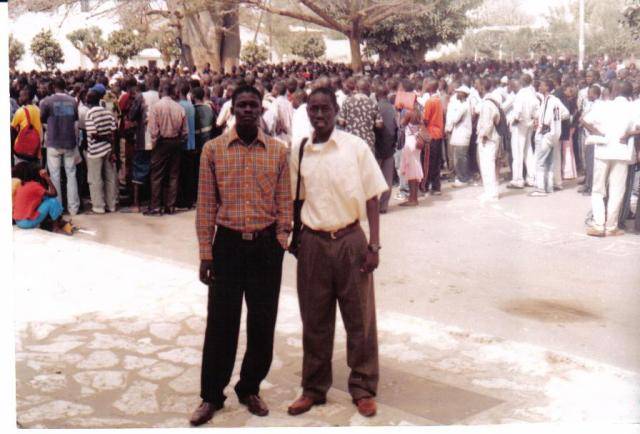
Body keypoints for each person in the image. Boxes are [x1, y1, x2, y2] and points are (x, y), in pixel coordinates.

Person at [190, 85, 292, 426]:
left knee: (262, 323)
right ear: (232, 110)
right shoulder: (213, 150)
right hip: (228, 247)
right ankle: (211, 395)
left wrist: (281, 239)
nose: (248, 110)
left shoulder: (277, 152)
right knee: (221, 323)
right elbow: (206, 205)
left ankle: (249, 387)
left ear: (261, 110)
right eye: (242, 105)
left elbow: (284, 201)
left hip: (265, 248)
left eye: (253, 105)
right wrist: (206, 253)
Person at [287, 87, 388, 418]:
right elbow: (295, 198)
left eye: (325, 109)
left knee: (359, 318)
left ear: (336, 110)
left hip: (350, 241)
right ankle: (314, 388)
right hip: (313, 243)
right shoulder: (300, 151)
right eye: (313, 109)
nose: (319, 115)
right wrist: (296, 238)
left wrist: (374, 245)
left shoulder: (355, 147)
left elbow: (372, 197)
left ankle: (362, 387)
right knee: (314, 319)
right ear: (307, 112)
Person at [582, 81, 637, 236]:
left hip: (603, 149)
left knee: (598, 189)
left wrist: (597, 132)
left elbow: (584, 120)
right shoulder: (633, 108)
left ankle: (598, 225)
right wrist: (629, 134)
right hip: (622, 152)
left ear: (615, 91)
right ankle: (612, 226)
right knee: (617, 190)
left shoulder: (603, 106)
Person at [39, 77, 80, 215]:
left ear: (53, 87)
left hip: (53, 142)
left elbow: (42, 119)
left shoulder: (46, 102)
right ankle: (73, 208)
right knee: (71, 174)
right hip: (69, 142)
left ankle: (58, 208)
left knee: (55, 176)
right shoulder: (73, 101)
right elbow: (75, 119)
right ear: (65, 86)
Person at [144, 84, 187, 216]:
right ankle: (170, 206)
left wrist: (154, 144)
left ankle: (156, 207)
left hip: (161, 142)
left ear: (161, 92)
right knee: (173, 175)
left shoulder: (156, 107)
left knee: (157, 175)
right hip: (175, 142)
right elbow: (185, 131)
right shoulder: (179, 107)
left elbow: (153, 130)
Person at [529, 79, 569, 197]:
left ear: (547, 87)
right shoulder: (552, 100)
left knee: (540, 162)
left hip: (546, 133)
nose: (539, 87)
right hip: (553, 134)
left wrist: (550, 125)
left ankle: (540, 188)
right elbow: (566, 113)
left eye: (542, 85)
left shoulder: (550, 101)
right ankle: (549, 186)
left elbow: (562, 115)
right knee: (549, 162)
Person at [12, 162, 74, 235]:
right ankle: (56, 228)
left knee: (46, 198)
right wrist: (47, 178)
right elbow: (54, 194)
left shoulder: (22, 185)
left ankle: (58, 221)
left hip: (18, 221)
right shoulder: (34, 185)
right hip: (26, 223)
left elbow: (43, 196)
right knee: (52, 201)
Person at [84, 90, 118, 214]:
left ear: (88, 101)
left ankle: (98, 207)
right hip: (108, 149)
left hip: (95, 151)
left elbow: (93, 135)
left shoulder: (89, 114)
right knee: (110, 178)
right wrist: (112, 150)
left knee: (96, 180)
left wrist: (105, 138)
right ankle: (111, 205)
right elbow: (113, 133)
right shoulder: (108, 113)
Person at [508, 73, 540, 189]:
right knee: (528, 151)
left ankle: (517, 180)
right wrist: (533, 119)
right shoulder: (532, 94)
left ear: (521, 82)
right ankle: (531, 178)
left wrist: (515, 120)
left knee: (517, 153)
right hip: (529, 124)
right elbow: (537, 110)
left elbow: (518, 111)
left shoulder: (520, 94)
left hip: (519, 125)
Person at [476, 78, 502, 202]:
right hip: (493, 137)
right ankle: (490, 192)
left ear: (482, 87)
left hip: (488, 138)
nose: (477, 88)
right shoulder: (492, 101)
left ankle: (491, 193)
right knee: (488, 165)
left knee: (487, 166)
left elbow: (487, 124)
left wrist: (483, 136)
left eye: (478, 86)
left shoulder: (487, 104)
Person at [373, 84, 397, 213]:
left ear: (377, 95)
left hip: (377, 146)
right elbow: (396, 127)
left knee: (373, 177)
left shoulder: (375, 107)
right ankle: (383, 206)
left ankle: (373, 205)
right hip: (389, 146)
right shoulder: (392, 108)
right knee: (388, 177)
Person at [340, 79, 381, 154]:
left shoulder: (347, 102)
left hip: (351, 141)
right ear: (368, 89)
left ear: (356, 88)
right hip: (368, 142)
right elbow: (379, 125)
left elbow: (341, 122)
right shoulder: (373, 104)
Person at [446, 85, 473, 187]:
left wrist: (452, 113)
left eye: (459, 92)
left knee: (460, 158)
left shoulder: (464, 106)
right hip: (459, 135)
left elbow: (455, 119)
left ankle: (463, 178)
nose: (456, 94)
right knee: (459, 158)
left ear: (463, 94)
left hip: (462, 135)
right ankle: (462, 177)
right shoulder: (463, 105)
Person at [421, 79, 444, 195]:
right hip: (438, 134)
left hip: (431, 134)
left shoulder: (430, 102)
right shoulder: (439, 100)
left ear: (430, 87)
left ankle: (425, 186)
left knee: (428, 163)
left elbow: (425, 119)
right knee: (436, 163)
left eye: (426, 84)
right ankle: (436, 187)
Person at [177, 83, 198, 209]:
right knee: (189, 174)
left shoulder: (179, 105)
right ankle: (190, 200)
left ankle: (183, 201)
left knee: (182, 174)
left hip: (183, 143)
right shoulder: (191, 105)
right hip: (192, 143)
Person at [11, 88, 43, 164]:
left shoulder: (20, 111)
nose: (19, 98)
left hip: (22, 150)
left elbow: (12, 129)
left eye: (21, 96)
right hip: (36, 149)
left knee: (20, 170)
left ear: (27, 97)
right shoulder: (38, 109)